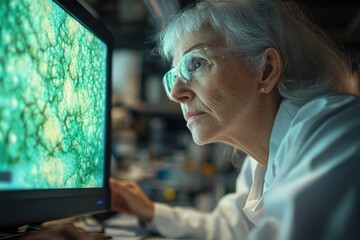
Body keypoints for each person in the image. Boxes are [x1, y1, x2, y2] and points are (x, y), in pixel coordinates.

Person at [110, 0, 360, 239]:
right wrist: (151, 212)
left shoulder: (335, 130)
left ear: (266, 70)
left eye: (196, 63)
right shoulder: (259, 163)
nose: (175, 93)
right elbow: (228, 230)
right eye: (172, 76)